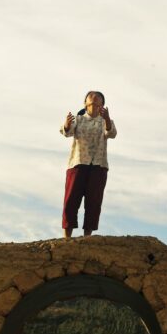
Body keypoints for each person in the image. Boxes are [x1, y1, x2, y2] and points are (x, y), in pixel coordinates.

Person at [60, 90, 116, 238]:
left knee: (93, 202)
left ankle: (87, 238)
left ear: (102, 105)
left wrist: (108, 119)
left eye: (98, 98)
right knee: (71, 200)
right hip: (78, 163)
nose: (94, 98)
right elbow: (67, 132)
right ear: (85, 103)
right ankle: (67, 237)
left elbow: (112, 133)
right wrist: (66, 124)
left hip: (98, 165)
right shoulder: (78, 119)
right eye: (90, 97)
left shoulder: (105, 121)